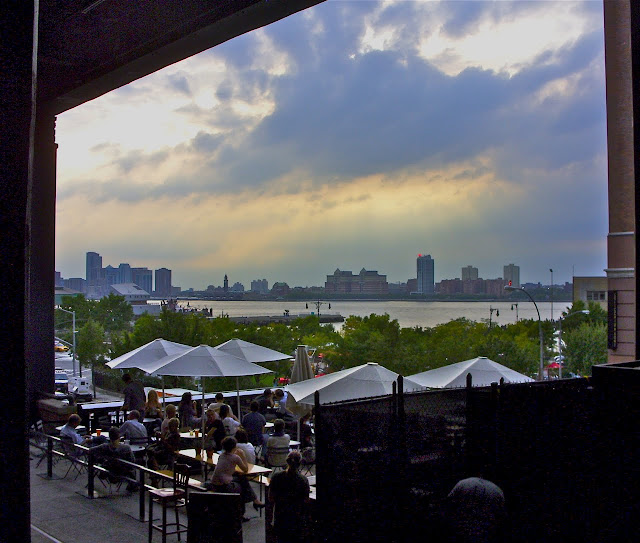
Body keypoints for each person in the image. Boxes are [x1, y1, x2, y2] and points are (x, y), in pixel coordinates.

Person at [203, 436, 265, 515]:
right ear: (234, 447)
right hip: (223, 486)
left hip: (214, 483)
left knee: (242, 479)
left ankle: (253, 502)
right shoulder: (235, 458)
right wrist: (242, 456)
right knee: (243, 485)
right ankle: (245, 509)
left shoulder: (221, 456)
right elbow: (245, 469)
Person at [446, 476, 506, 543]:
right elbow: (500, 516)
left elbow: (449, 504)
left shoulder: (463, 483)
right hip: (484, 532)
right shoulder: (497, 491)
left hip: (462, 529)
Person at [269, 450, 310, 543]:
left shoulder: (276, 477)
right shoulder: (303, 480)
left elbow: (270, 498)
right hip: (297, 519)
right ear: (300, 463)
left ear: (287, 461)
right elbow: (306, 501)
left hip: (280, 517)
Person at [90, 427, 137, 492]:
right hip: (123, 472)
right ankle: (133, 485)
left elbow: (91, 450)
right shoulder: (126, 448)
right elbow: (133, 461)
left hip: (109, 472)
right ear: (119, 437)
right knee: (133, 466)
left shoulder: (104, 447)